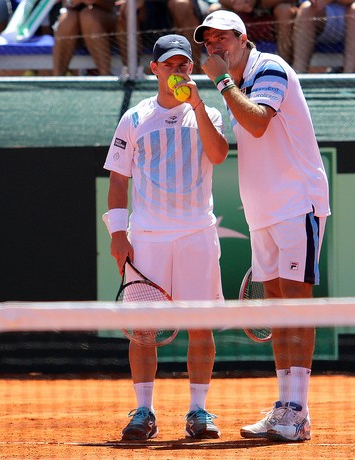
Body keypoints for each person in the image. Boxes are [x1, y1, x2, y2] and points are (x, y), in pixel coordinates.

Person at [194, 10, 330, 442]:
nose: (214, 48)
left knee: (295, 304)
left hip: (297, 204)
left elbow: (256, 122)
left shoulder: (269, 68)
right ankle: (286, 407)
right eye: (208, 42)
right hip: (262, 212)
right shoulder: (235, 81)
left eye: (222, 40)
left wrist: (221, 83)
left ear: (242, 37)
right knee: (275, 307)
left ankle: (298, 410)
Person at [103, 34, 228, 440]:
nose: (178, 70)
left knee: (200, 328)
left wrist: (196, 105)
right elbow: (119, 180)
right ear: (154, 69)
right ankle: (143, 411)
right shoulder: (135, 118)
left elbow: (220, 154)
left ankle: (199, 412)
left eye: (184, 64)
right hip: (148, 239)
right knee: (143, 330)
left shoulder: (208, 112)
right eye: (170, 64)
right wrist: (118, 233)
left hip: (196, 234)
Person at [115, 0, 216, 74]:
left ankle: (193, 71)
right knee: (128, 9)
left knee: (181, 5)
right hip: (149, 7)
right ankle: (132, 74)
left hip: (186, 5)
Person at [292, 0, 355, 73]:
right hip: (329, 17)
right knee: (306, 9)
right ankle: (299, 75)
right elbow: (317, 4)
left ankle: (348, 77)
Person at [52, 0, 117, 75]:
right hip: (75, 28)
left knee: (88, 16)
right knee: (68, 20)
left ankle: (106, 77)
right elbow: (66, 4)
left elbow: (113, 6)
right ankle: (58, 78)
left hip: (106, 21)